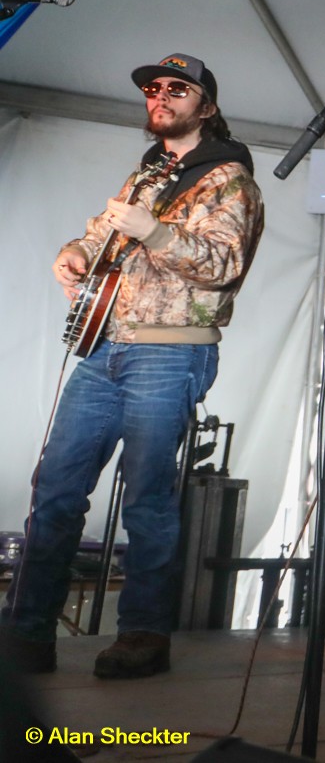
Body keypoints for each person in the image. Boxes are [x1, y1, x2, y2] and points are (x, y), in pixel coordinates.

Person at [0, 53, 264, 679]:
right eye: (152, 88)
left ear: (206, 105)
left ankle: (144, 635)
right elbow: (99, 236)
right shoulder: (146, 174)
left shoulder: (231, 180)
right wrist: (72, 252)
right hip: (104, 348)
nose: (160, 96)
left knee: (147, 496)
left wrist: (155, 232)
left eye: (177, 88)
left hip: (170, 351)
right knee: (56, 490)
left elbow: (223, 265)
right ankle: (27, 634)